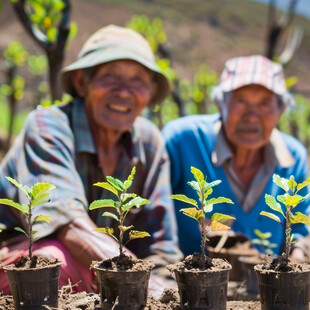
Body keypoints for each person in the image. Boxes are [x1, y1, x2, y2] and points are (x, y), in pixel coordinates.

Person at [0, 24, 182, 296]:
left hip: (101, 269)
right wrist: (147, 286)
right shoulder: (48, 126)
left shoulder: (148, 142)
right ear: (82, 83)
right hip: (24, 255)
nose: (123, 91)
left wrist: (166, 288)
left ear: (150, 94)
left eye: (138, 81)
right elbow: (69, 225)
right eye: (110, 76)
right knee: (55, 262)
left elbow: (161, 245)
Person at [162, 55, 309, 259]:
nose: (251, 115)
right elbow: (152, 213)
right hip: (186, 284)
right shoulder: (183, 140)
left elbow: (301, 230)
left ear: (281, 110)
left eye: (265, 103)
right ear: (220, 104)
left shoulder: (293, 159)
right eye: (240, 100)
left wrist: (296, 259)